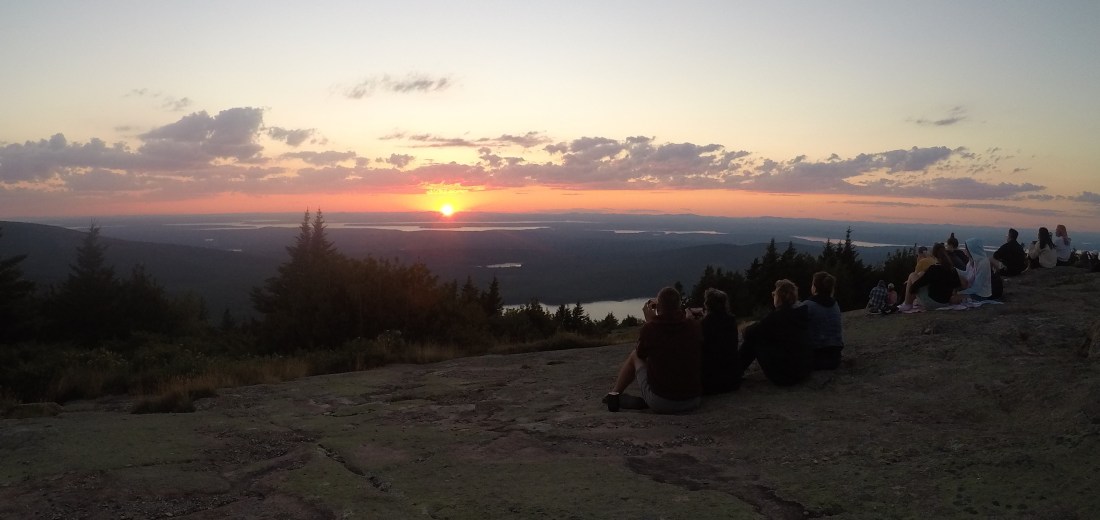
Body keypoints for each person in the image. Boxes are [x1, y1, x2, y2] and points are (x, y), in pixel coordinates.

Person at [604, 286, 702, 413]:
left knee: (635, 355)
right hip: (693, 400)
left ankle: (614, 394)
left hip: (661, 402)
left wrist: (650, 322)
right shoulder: (693, 326)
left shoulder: (651, 329)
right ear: (679, 305)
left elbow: (641, 353)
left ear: (658, 307)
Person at [737, 279, 812, 386]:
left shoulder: (777, 317)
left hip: (785, 376)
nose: (773, 297)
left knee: (753, 339)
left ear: (779, 297)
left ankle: (734, 373)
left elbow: (749, 333)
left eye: (774, 294)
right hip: (803, 371)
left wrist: (746, 327)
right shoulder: (801, 313)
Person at [899, 243, 965, 311]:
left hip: (931, 303)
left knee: (912, 275)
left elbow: (917, 285)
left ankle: (907, 304)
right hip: (945, 303)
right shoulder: (952, 269)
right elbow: (958, 286)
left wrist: (911, 289)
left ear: (934, 255)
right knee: (921, 275)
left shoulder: (933, 269)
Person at [699, 288, 740, 395]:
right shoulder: (731, 320)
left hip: (710, 383)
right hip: (732, 381)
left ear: (707, 304)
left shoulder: (704, 323)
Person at [801, 271, 844, 370]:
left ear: (815, 287)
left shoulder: (808, 305)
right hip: (835, 357)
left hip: (816, 357)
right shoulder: (835, 304)